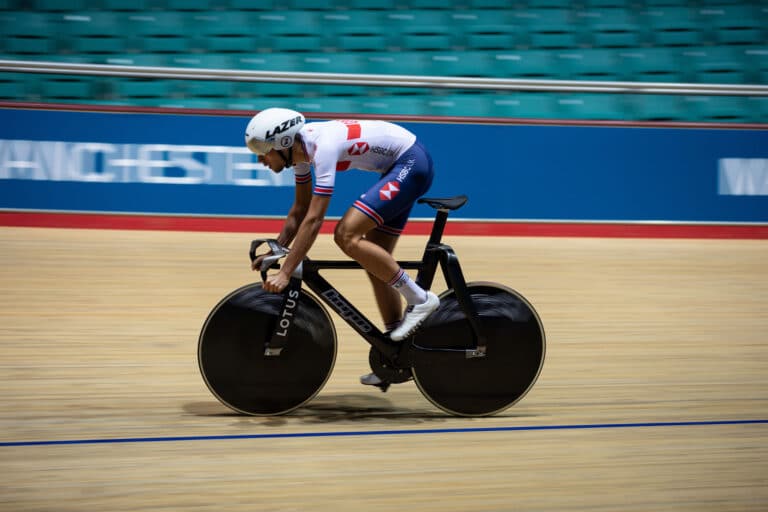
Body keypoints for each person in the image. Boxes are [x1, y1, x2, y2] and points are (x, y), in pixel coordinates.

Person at [244, 107, 439, 387]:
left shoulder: (321, 147)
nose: (262, 160)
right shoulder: (300, 154)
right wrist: (277, 247)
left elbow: (314, 219)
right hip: (400, 166)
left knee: (345, 235)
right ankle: (395, 353)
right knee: (375, 263)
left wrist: (286, 272)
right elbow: (299, 210)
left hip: (410, 163)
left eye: (264, 152)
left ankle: (420, 299)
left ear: (284, 144)